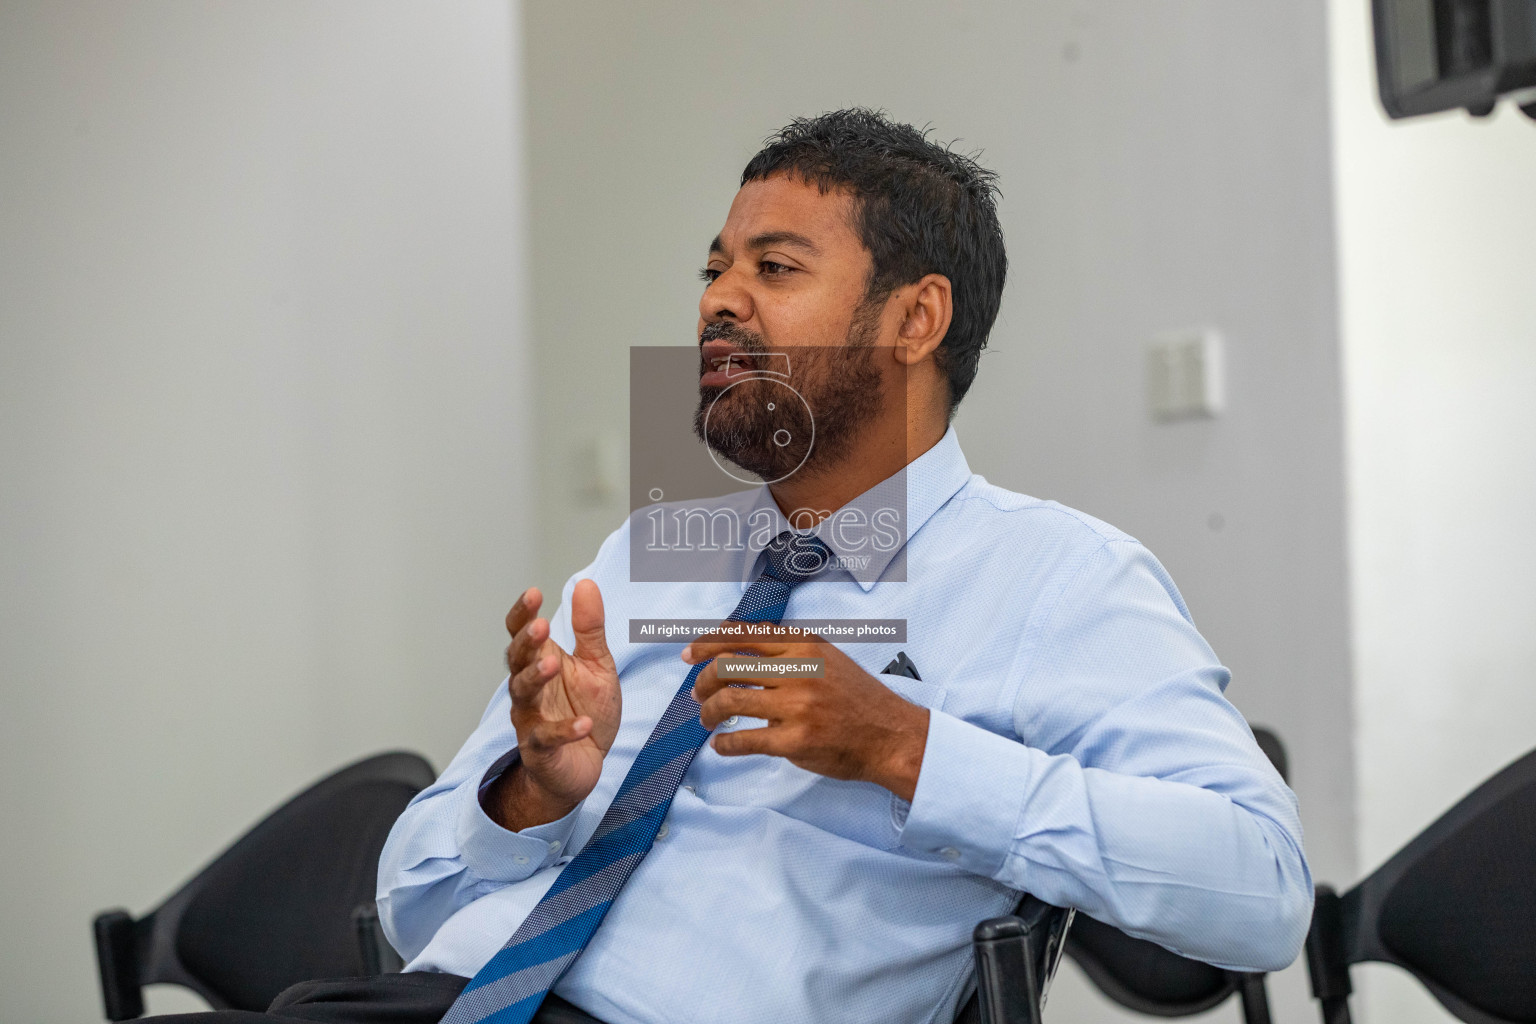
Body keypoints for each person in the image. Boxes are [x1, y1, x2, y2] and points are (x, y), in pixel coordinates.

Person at [152, 109, 1311, 1024]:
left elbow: (1263, 890)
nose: (717, 300)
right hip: (436, 1002)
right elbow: (411, 902)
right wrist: (530, 796)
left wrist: (910, 751)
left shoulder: (1062, 578)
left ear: (915, 320)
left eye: (775, 266)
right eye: (713, 268)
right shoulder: (655, 557)